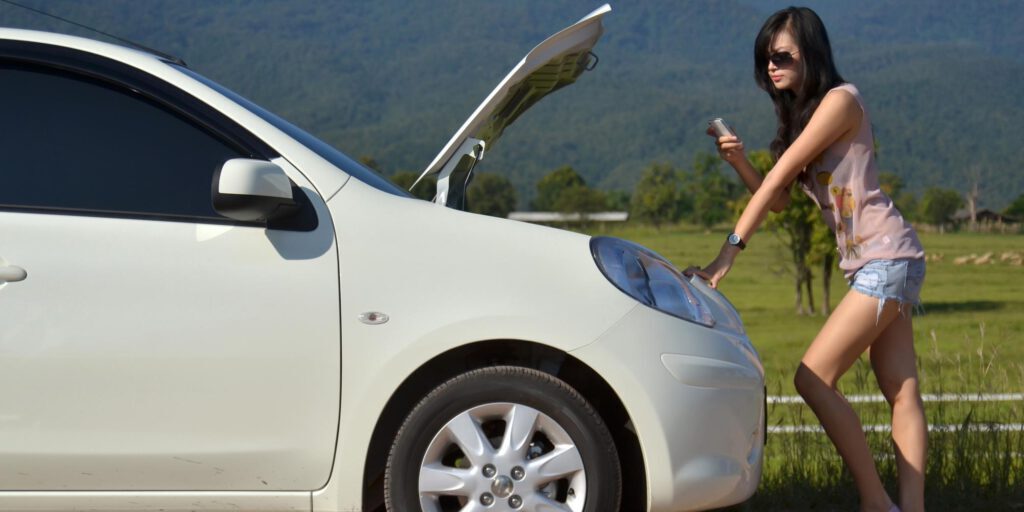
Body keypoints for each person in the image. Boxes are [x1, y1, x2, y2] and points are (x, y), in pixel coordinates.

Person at [686, 7, 927, 512]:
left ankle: (876, 502)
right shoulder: (805, 115)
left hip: (886, 257)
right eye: (764, 60)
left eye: (781, 56)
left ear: (810, 53)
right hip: (881, 262)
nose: (770, 68)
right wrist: (739, 162)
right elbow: (779, 198)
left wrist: (726, 256)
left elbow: (782, 176)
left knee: (812, 378)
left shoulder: (841, 101)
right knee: (900, 391)